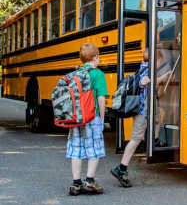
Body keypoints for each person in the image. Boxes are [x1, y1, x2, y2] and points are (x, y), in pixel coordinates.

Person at [111, 48, 170, 188]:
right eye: (160, 59)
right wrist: (161, 78)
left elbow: (150, 82)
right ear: (155, 59)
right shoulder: (147, 70)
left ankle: (154, 140)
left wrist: (162, 78)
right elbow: (147, 83)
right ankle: (121, 168)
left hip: (147, 108)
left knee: (158, 116)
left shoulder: (144, 68)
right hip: (142, 110)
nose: (161, 62)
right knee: (135, 139)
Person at [67, 43, 108, 196]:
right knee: (94, 148)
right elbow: (101, 98)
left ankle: (76, 184)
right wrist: (102, 117)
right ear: (95, 57)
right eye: (99, 56)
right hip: (92, 116)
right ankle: (90, 181)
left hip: (76, 117)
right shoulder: (98, 74)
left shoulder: (75, 73)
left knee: (76, 149)